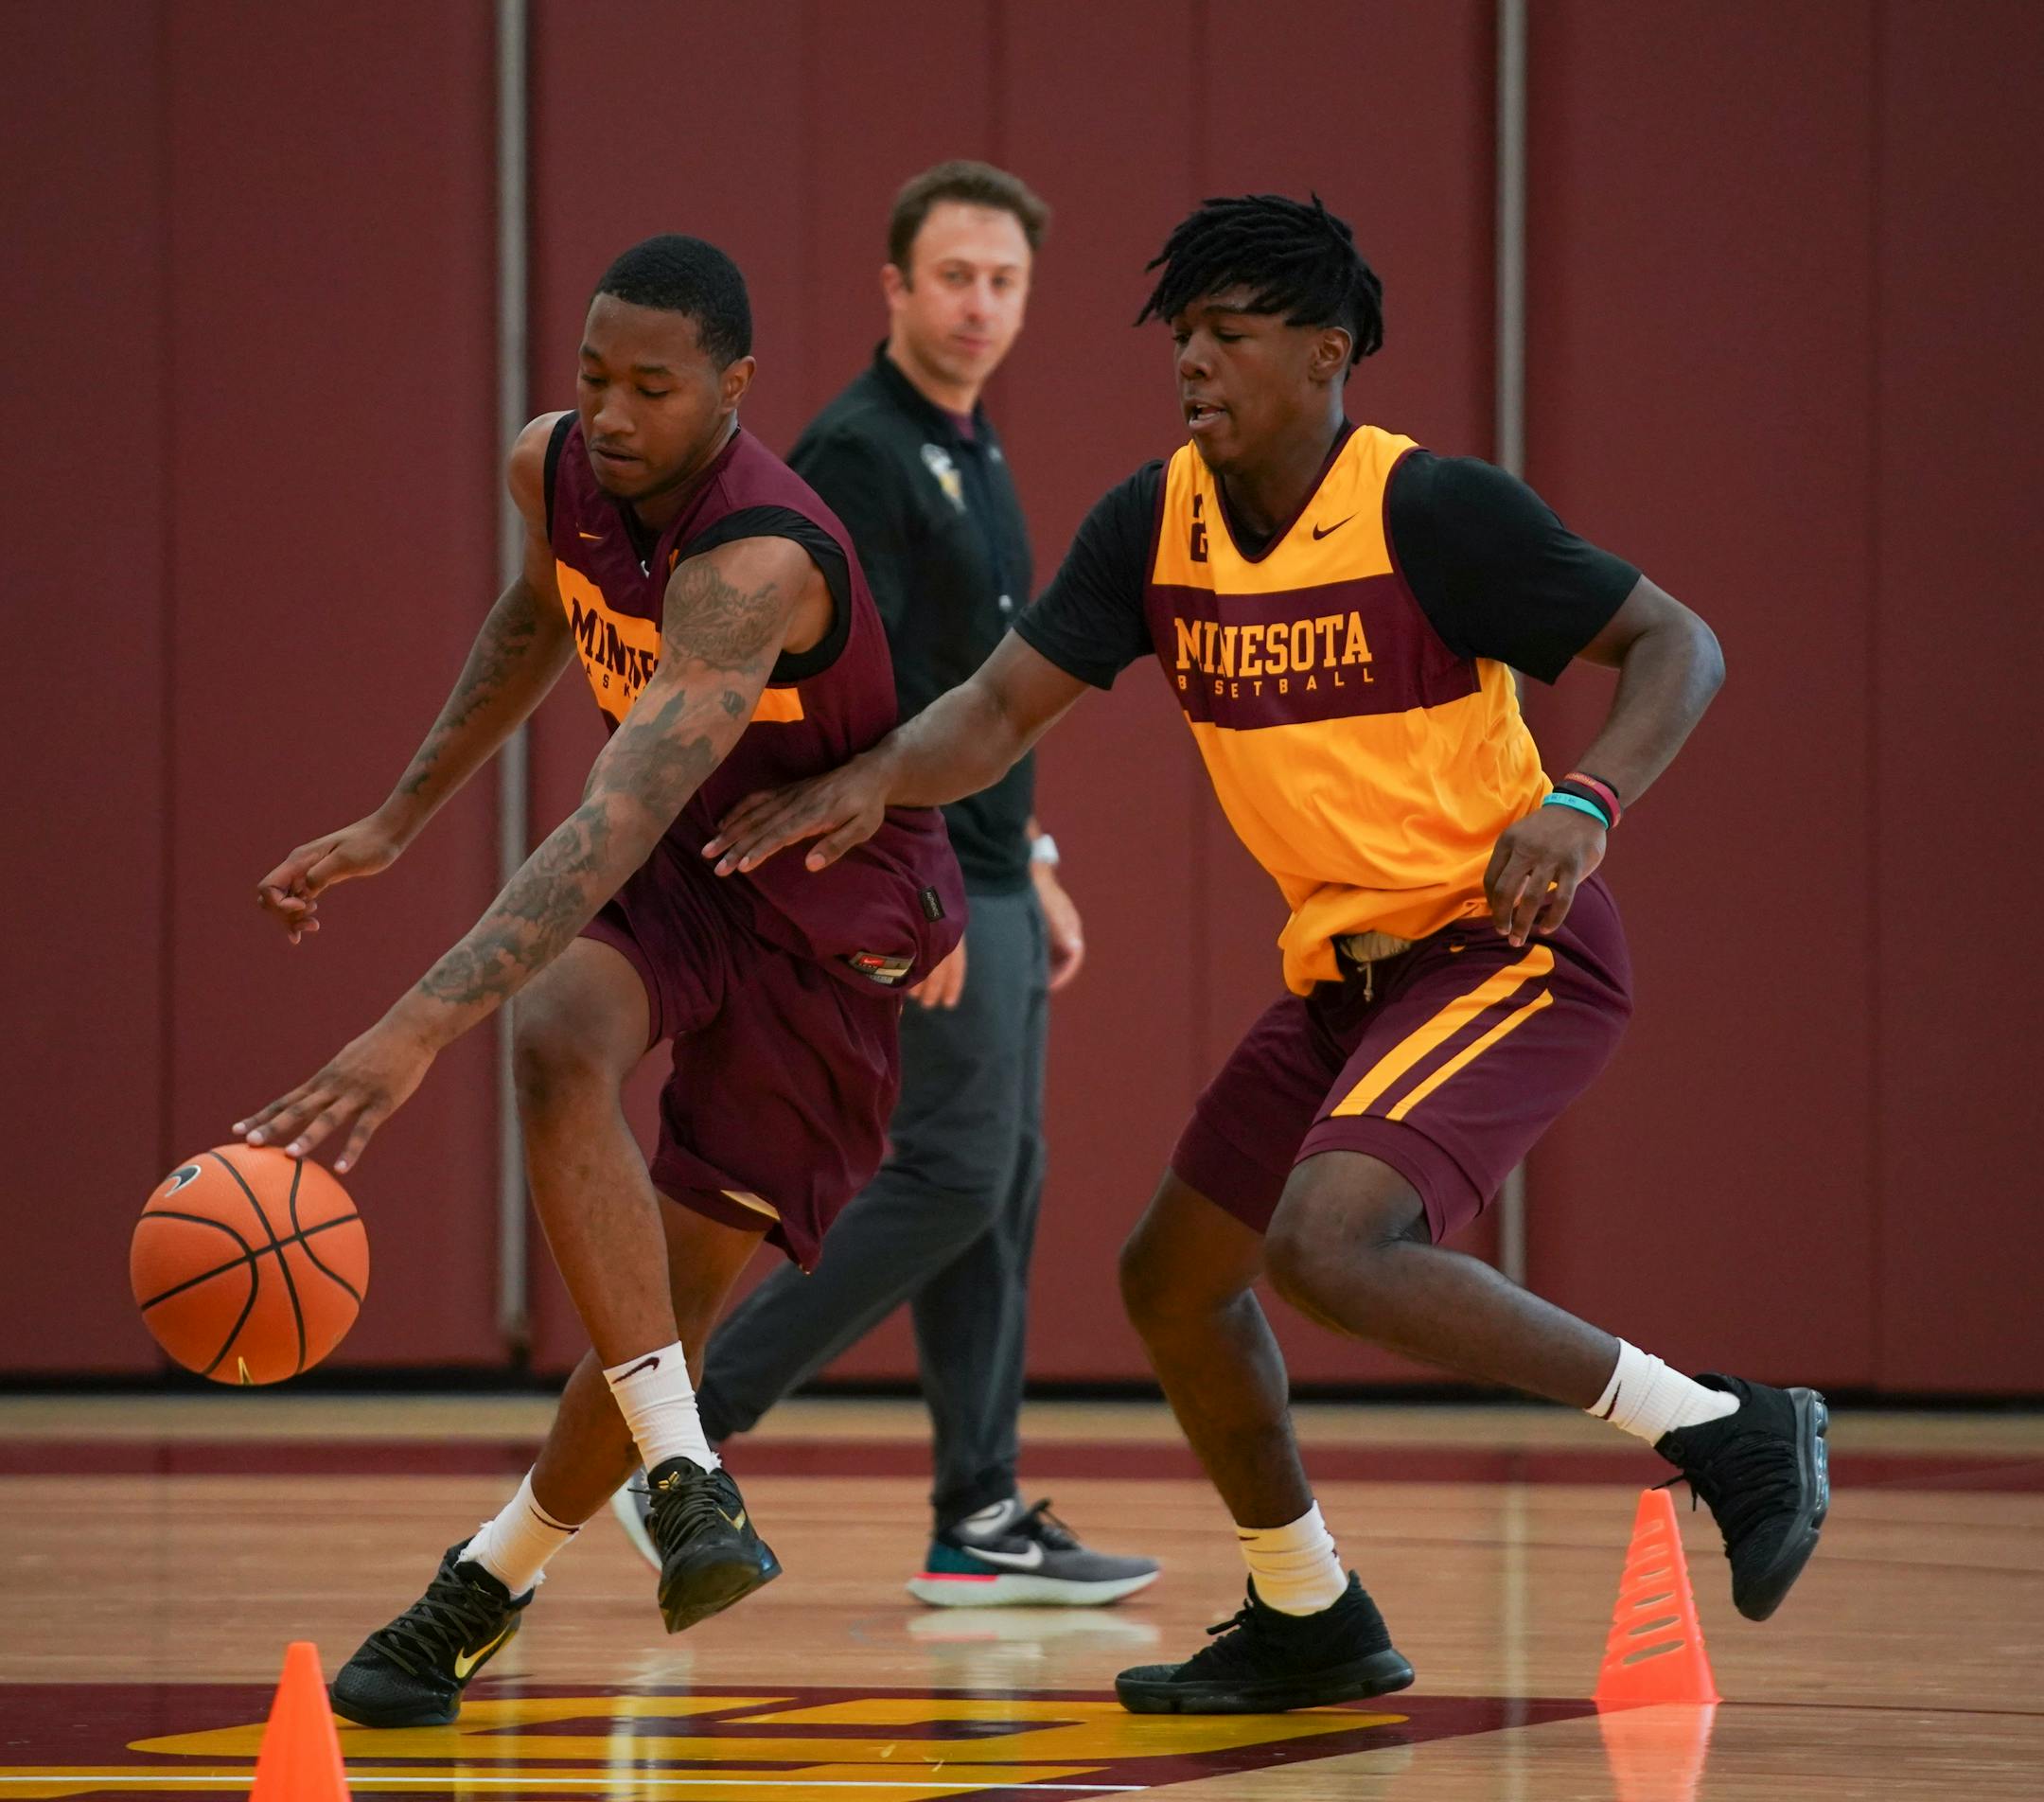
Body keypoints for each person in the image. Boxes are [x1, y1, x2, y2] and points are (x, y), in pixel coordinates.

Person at [701, 193, 1830, 1714]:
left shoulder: (1430, 511)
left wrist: (1587, 798)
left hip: (1506, 946)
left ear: (1325, 353)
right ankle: (1311, 1612)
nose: (1193, 363)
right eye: (1182, 336)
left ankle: (1726, 1425)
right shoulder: (1148, 524)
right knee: (1174, 1284)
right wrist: (864, 782)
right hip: (1347, 973)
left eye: (1228, 335)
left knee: (1328, 1243)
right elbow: (990, 713)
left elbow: (1678, 642)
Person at [236, 234, 962, 1728]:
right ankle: (689, 1471)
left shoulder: (758, 560)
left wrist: (406, 1027)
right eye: (592, 376)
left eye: (653, 385)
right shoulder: (550, 468)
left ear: (733, 390)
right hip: (695, 862)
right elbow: (535, 618)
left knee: (668, 1321)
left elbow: (613, 810)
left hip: (826, 917)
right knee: (559, 1026)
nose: (612, 411)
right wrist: (393, 818)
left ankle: (488, 1579)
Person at [609, 161, 1157, 1607]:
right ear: (896, 290)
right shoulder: (856, 451)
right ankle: (677, 1441)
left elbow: (987, 688)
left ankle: (977, 1514)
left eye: (1006, 281)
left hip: (985, 870)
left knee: (1005, 1184)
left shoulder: (970, 450)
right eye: (956, 276)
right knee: (954, 1175)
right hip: (914, 874)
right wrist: (927, 882)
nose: (982, 304)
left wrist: (1031, 860)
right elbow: (866, 704)